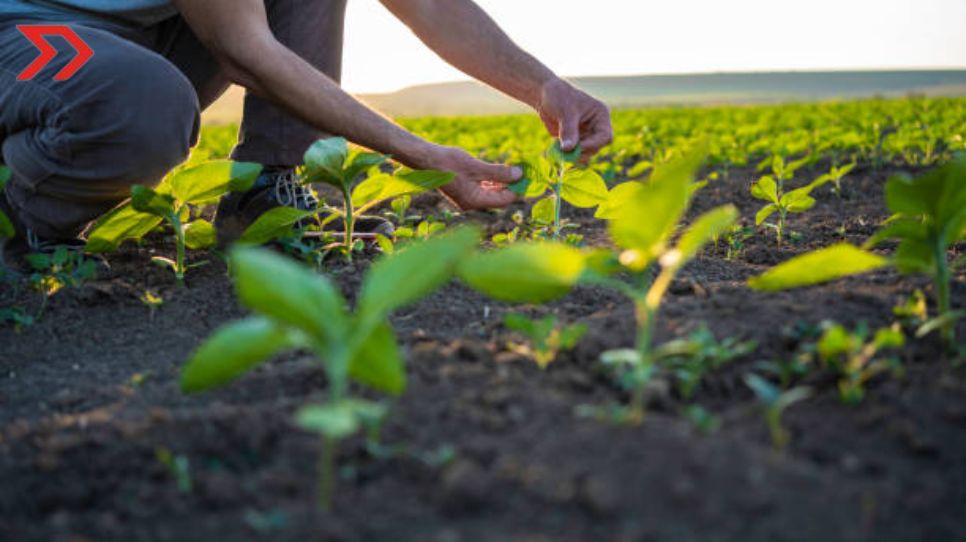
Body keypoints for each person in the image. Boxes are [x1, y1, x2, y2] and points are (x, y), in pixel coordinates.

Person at [0, 0, 613, 261]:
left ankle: (265, 193)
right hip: (25, 31)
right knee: (138, 105)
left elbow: (426, 5)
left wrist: (543, 87)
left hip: (143, 37)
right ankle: (21, 207)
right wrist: (423, 156)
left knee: (137, 89)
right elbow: (246, 51)